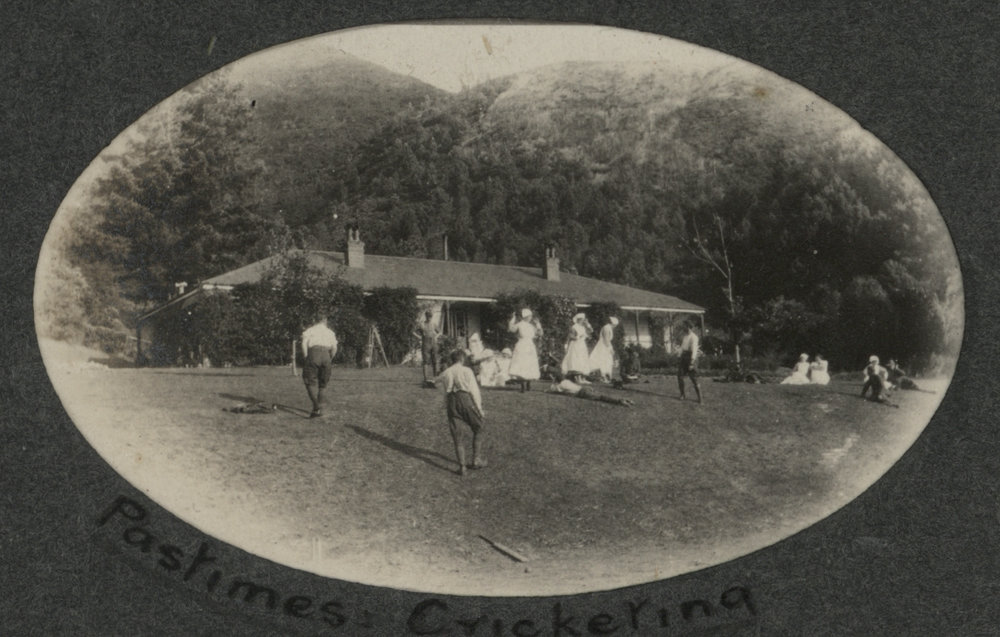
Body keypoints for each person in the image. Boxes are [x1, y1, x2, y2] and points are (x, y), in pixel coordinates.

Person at [438, 349, 486, 476]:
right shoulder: (466, 371)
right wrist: (479, 408)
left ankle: (462, 467)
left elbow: (440, 386)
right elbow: (474, 391)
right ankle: (476, 460)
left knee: (457, 435)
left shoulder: (446, 372)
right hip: (464, 399)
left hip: (451, 402)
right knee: (479, 426)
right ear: (462, 359)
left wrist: (446, 405)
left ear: (452, 360)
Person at [301, 315, 338, 418]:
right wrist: (330, 358)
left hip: (314, 353)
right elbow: (334, 348)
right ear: (325, 320)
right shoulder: (330, 332)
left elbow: (304, 344)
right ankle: (318, 409)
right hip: (326, 355)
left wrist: (306, 356)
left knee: (308, 381)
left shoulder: (310, 330)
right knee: (323, 383)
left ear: (314, 320)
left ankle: (316, 407)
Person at [508, 309, 541, 392]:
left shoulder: (531, 326)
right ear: (526, 316)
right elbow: (511, 329)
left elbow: (540, 333)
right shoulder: (520, 324)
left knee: (529, 363)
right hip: (522, 345)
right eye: (529, 316)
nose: (531, 318)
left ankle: (528, 384)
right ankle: (523, 385)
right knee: (522, 363)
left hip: (530, 346)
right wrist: (513, 319)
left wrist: (538, 325)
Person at [547, 377, 634, 407]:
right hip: (585, 388)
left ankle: (620, 401)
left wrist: (547, 389)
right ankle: (625, 399)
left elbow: (553, 390)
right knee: (601, 395)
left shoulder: (561, 385)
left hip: (583, 392)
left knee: (601, 397)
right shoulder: (566, 381)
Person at [561, 313, 593, 380]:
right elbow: (570, 336)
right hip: (576, 345)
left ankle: (582, 378)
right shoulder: (574, 327)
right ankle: (577, 377)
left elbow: (591, 331)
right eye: (582, 320)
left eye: (584, 320)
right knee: (576, 360)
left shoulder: (583, 327)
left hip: (582, 345)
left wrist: (588, 324)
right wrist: (578, 337)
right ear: (579, 320)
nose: (583, 321)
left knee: (582, 360)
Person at [414, 310, 442, 386]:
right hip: (425, 343)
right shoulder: (422, 324)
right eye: (428, 316)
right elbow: (414, 332)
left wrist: (436, 336)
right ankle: (426, 379)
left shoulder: (434, 324)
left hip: (433, 343)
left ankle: (435, 378)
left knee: (435, 360)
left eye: (430, 316)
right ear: (426, 316)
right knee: (425, 361)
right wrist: (420, 337)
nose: (429, 318)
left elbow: (439, 332)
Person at [677, 322, 703, 403]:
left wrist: (692, 362)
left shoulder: (694, 337)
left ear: (689, 327)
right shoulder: (685, 337)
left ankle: (700, 398)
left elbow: (694, 350)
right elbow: (682, 347)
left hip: (691, 357)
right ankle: (682, 395)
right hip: (684, 358)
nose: (683, 328)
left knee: (694, 378)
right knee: (680, 376)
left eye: (684, 326)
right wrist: (679, 355)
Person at [588, 316, 618, 382]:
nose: (615, 327)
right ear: (613, 324)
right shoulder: (606, 328)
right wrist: (610, 348)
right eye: (615, 325)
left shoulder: (609, 327)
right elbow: (606, 339)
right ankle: (603, 376)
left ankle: (606, 376)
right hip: (603, 346)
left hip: (606, 344)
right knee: (603, 360)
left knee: (608, 360)